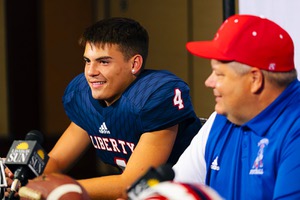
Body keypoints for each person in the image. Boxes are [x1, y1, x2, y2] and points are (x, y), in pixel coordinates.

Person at [5, 17, 201, 199]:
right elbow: (55, 161)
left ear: (135, 64)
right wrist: (24, 179)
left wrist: (60, 189)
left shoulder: (154, 96)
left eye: (104, 62)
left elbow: (130, 183)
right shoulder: (83, 95)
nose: (91, 72)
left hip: (191, 191)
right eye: (87, 61)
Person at [172, 14, 300, 199]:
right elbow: (176, 191)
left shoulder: (294, 129)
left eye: (219, 74)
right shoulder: (224, 116)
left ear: (255, 79)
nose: (209, 82)